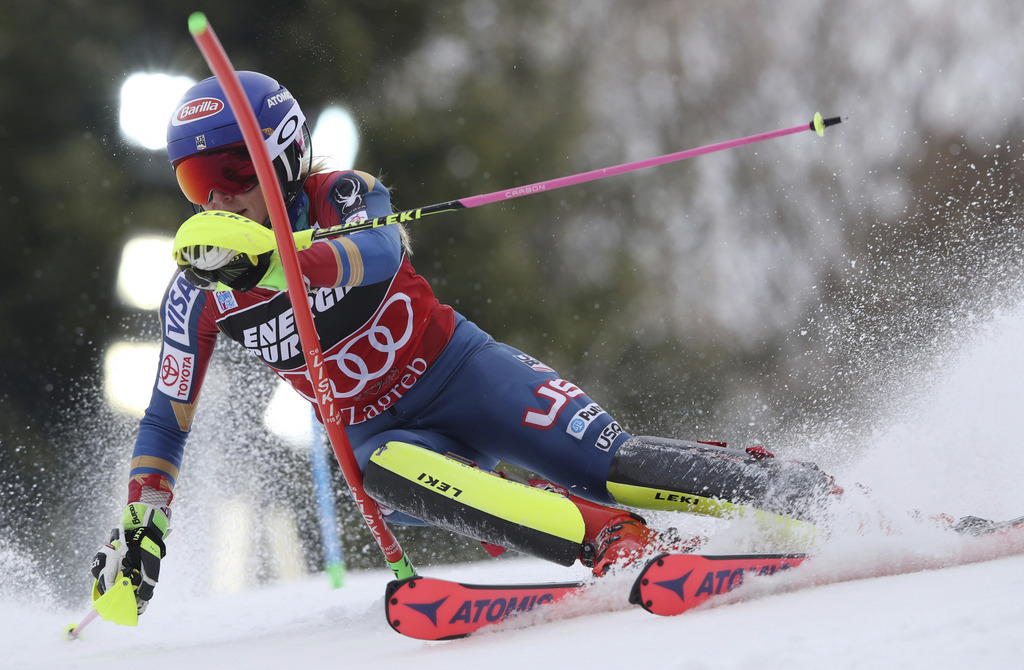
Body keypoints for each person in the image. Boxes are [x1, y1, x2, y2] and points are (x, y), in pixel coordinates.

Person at [91, 71, 840, 615]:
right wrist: (141, 525)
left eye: (231, 171)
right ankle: (616, 542)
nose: (218, 198)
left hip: (463, 372)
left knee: (613, 462)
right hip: (383, 436)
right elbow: (164, 420)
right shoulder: (196, 293)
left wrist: (282, 262)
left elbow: (380, 257)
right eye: (197, 181)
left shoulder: (341, 197)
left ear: (284, 158)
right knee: (379, 470)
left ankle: (808, 495)